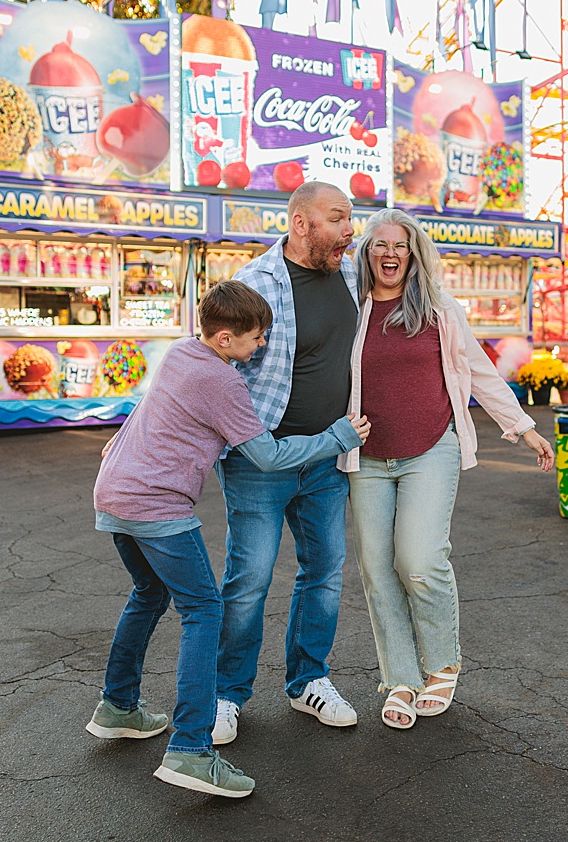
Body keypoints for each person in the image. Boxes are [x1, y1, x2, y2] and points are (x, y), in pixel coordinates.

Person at [88, 280, 370, 798]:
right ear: (224, 338)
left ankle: (118, 706)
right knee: (204, 610)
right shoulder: (223, 382)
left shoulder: (181, 352)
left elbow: (148, 408)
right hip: (157, 504)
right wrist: (337, 437)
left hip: (114, 492)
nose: (261, 346)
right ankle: (191, 750)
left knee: (149, 594)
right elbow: (268, 456)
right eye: (256, 338)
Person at [342, 208, 555, 729]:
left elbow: (479, 372)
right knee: (377, 570)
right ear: (367, 253)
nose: (390, 254)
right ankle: (400, 678)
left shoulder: (440, 309)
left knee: (419, 559)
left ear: (413, 254)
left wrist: (523, 428)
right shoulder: (352, 307)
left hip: (431, 449)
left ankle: (442, 663)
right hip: (366, 457)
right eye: (380, 245)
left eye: (400, 245)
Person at [214, 181, 362, 744]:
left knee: (324, 573)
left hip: (327, 455)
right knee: (249, 579)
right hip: (260, 460)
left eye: (351, 217)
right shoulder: (255, 282)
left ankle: (308, 681)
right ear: (301, 223)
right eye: (337, 217)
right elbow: (209, 363)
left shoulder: (352, 275)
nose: (349, 228)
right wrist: (139, 429)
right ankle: (226, 694)